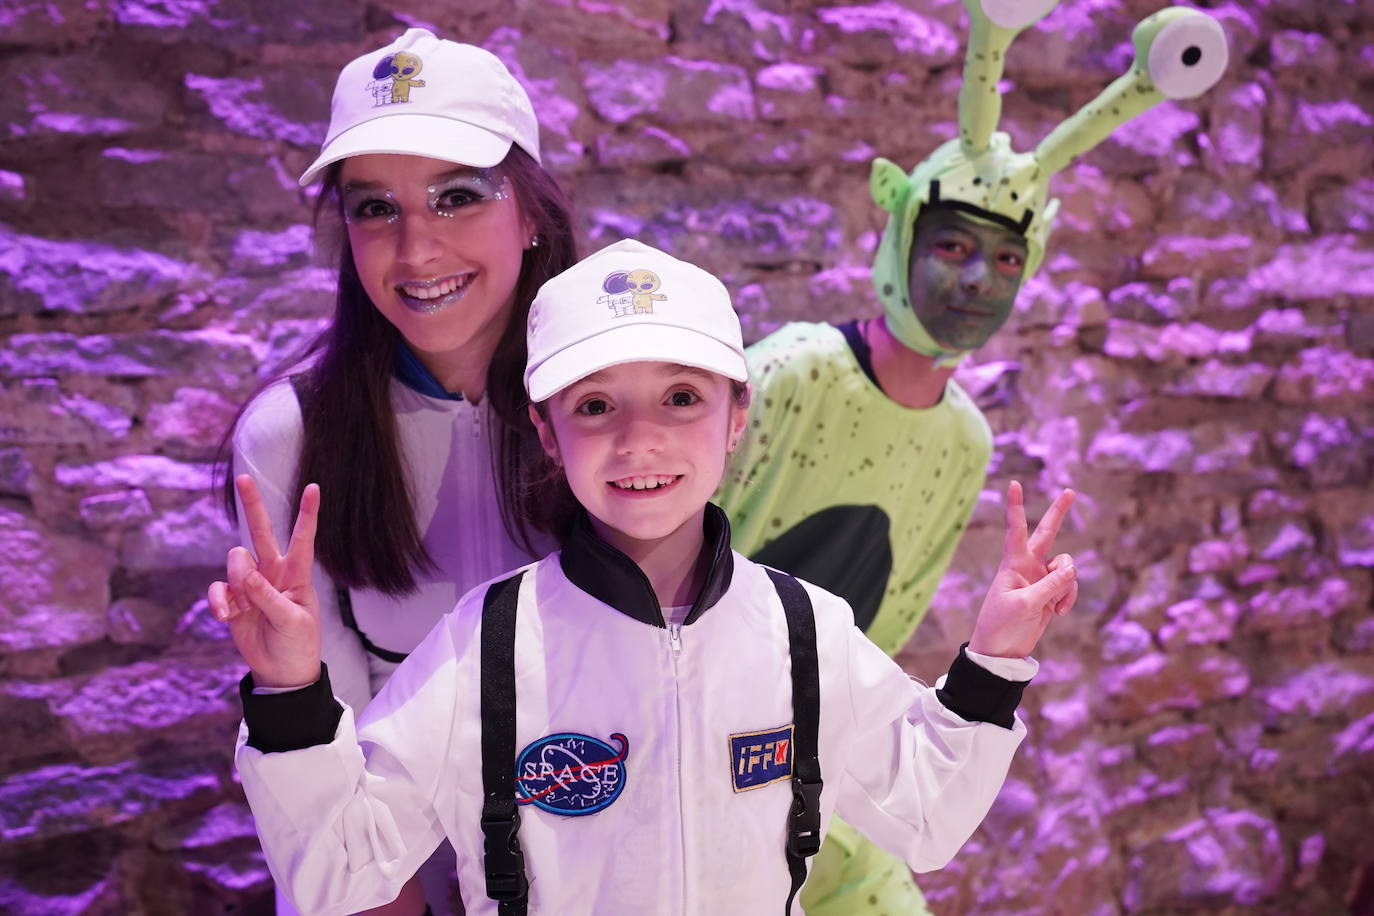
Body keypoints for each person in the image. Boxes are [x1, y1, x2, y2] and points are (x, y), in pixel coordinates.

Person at [210, 238, 1079, 915]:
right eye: (594, 405)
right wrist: (289, 688)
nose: (639, 440)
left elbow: (924, 814)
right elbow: (340, 869)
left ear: (738, 416)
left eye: (681, 397)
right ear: (547, 434)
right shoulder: (491, 641)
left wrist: (995, 659)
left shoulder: (803, 628)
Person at [714, 3, 1230, 913]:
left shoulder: (966, 439)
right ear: (901, 233)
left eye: (1004, 259)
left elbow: (885, 619)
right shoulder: (793, 372)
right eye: (951, 245)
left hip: (813, 764)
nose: (975, 281)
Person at [219, 28, 578, 916]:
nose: (415, 249)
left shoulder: (617, 407)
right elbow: (325, 757)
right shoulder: (290, 438)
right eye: (375, 207)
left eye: (457, 196)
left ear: (530, 210)